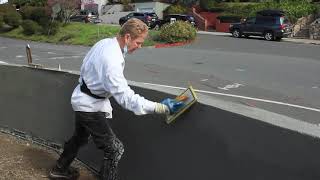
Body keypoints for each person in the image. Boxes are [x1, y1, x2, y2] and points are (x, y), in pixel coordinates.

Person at [49, 18, 184, 180]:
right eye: (139, 42)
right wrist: (160, 107)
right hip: (88, 106)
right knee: (115, 149)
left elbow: (85, 66)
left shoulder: (105, 43)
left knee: (80, 138)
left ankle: (59, 169)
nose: (139, 47)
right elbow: (126, 97)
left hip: (83, 98)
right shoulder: (111, 60)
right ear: (127, 37)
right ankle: (62, 169)